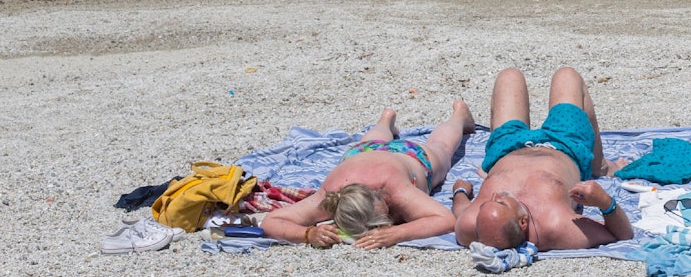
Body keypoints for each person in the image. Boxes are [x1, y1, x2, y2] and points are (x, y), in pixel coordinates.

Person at [453, 67, 633, 250]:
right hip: (564, 146)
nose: (495, 195)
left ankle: (484, 157)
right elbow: (623, 235)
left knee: (508, 76)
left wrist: (459, 192)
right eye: (500, 202)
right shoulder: (555, 226)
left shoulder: (474, 225)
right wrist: (605, 202)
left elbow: (461, 213)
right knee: (567, 75)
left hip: (505, 148)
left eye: (485, 203)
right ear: (523, 222)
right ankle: (601, 166)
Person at [262, 102, 472, 249]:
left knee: (441, 148)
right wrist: (307, 234)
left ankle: (459, 116)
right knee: (372, 142)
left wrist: (397, 233)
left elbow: (445, 219)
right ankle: (386, 120)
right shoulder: (328, 196)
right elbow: (271, 222)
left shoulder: (395, 190)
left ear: (381, 195)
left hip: (410, 156)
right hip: (364, 152)